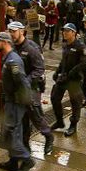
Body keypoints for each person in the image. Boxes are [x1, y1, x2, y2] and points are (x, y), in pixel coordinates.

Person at [0, 32, 34, 171]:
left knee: (11, 132)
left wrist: (22, 100)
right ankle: (14, 161)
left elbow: (22, 82)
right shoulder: (7, 58)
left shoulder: (13, 61)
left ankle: (26, 159)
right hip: (11, 100)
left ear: (4, 42)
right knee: (12, 131)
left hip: (15, 102)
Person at [8, 21, 54, 154]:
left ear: (21, 31)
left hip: (32, 87)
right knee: (23, 118)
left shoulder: (31, 48)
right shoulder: (12, 47)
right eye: (10, 31)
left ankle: (48, 136)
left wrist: (26, 81)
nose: (12, 34)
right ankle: (25, 144)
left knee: (35, 115)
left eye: (14, 31)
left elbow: (40, 69)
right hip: (19, 89)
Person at [50, 23, 86, 136]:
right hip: (64, 77)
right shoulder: (65, 45)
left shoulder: (80, 46)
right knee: (55, 98)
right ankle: (59, 121)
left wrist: (74, 71)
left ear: (73, 33)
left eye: (67, 31)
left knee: (75, 102)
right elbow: (63, 60)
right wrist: (57, 71)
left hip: (74, 79)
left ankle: (73, 125)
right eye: (63, 31)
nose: (64, 33)